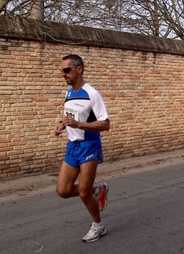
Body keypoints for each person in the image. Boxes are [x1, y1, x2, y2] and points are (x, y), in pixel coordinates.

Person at [54, 54, 110, 243]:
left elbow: (105, 124)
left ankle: (98, 225)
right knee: (63, 190)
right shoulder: (68, 93)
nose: (63, 74)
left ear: (79, 69)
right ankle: (98, 189)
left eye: (66, 70)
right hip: (73, 146)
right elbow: (69, 116)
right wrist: (62, 124)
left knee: (84, 194)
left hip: (89, 146)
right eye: (62, 70)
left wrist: (78, 125)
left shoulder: (92, 94)